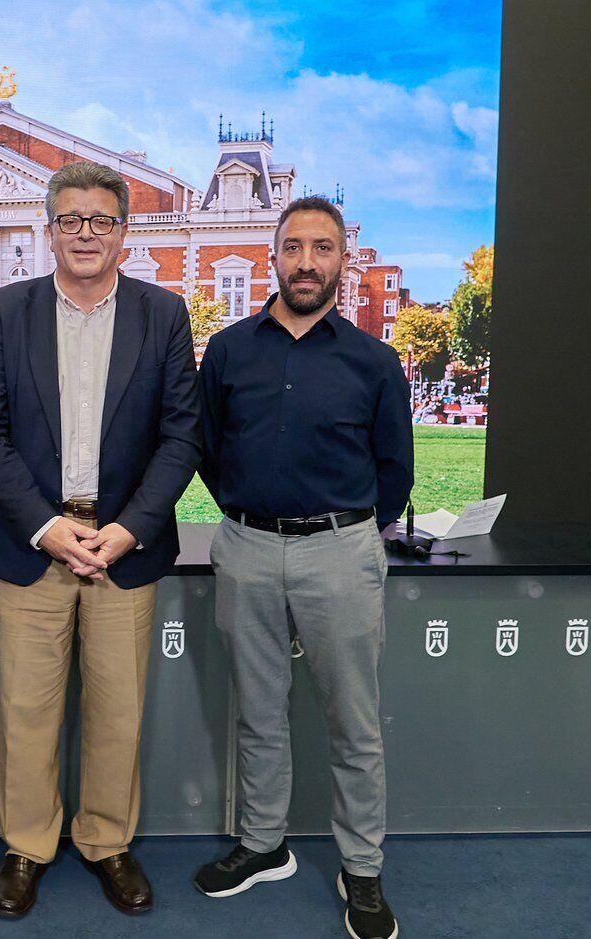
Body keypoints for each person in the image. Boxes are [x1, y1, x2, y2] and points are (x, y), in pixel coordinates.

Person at [0, 161, 202, 919]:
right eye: (71, 220)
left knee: (116, 707)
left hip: (120, 550)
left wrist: (127, 530)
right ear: (49, 230)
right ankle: (27, 846)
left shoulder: (162, 313)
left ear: (124, 233)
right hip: (31, 542)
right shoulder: (7, 310)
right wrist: (45, 525)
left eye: (102, 220)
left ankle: (105, 842)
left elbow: (180, 435)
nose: (86, 233)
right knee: (27, 711)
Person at [193, 196, 412, 939]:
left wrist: (337, 528)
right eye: (293, 247)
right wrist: (253, 511)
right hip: (246, 546)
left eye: (322, 247)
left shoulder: (373, 361)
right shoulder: (227, 351)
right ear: (272, 256)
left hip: (340, 551)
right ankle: (263, 843)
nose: (306, 261)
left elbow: (395, 473)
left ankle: (362, 870)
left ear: (341, 258)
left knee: (352, 724)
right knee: (258, 712)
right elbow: (206, 448)